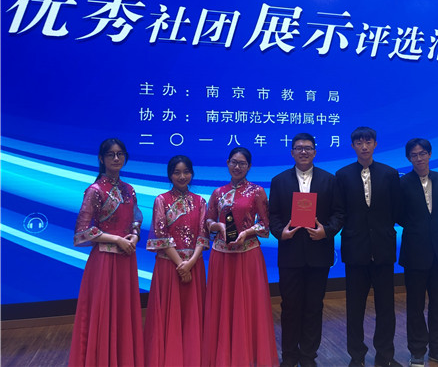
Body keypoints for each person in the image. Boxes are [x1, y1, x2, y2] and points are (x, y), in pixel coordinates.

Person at [269, 133, 344, 367]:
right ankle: (290, 356)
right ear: (292, 152)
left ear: (315, 152)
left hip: (319, 253)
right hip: (290, 253)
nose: (303, 152)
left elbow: (339, 213)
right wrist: (280, 232)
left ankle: (309, 356)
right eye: (299, 148)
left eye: (308, 148)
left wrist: (327, 231)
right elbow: (273, 215)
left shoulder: (329, 180)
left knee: (314, 306)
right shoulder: (279, 180)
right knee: (290, 307)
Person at [69, 138, 144, 366]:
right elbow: (82, 231)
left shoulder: (129, 190)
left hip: (126, 259)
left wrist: (134, 236)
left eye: (120, 154)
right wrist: (116, 239)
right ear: (101, 159)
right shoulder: (95, 190)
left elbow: (135, 219)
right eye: (111, 154)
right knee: (103, 311)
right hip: (104, 260)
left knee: (123, 311)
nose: (116, 158)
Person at [203, 147, 279, 367]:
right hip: (221, 255)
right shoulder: (218, 192)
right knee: (223, 305)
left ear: (249, 166)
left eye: (242, 163)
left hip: (248, 255)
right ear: (227, 163)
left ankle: (247, 353)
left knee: (248, 306)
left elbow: (265, 225)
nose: (237, 167)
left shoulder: (257, 191)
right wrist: (218, 226)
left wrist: (246, 233)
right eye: (234, 162)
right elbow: (207, 222)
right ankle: (223, 354)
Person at [335, 127, 403, 367]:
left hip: (383, 249)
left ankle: (385, 355)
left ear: (375, 144)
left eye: (368, 141)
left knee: (386, 308)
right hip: (355, 250)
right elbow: (339, 211)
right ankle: (357, 356)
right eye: (359, 142)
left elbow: (396, 210)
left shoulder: (389, 174)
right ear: (352, 146)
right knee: (355, 308)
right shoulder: (342, 175)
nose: (364, 146)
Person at [144, 155, 209, 366]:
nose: (182, 176)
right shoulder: (161, 200)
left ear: (192, 173)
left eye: (186, 172)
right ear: (170, 175)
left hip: (194, 265)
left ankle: (193, 358)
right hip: (168, 265)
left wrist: (190, 263)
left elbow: (203, 236)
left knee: (192, 313)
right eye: (177, 172)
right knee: (168, 314)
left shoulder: (200, 201)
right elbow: (161, 235)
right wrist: (181, 265)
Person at [398, 138, 438, 367]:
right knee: (415, 305)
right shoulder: (402, 184)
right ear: (409, 158)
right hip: (414, 251)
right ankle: (417, 351)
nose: (419, 158)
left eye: (422, 153)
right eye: (414, 155)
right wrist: (418, 229)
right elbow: (399, 216)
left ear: (429, 154)